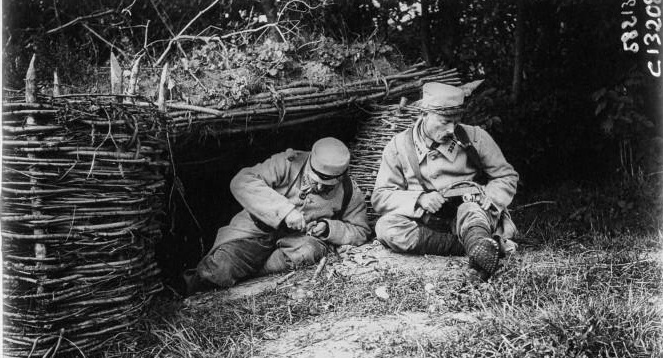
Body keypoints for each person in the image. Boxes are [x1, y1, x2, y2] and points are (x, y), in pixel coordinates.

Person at [184, 137, 370, 295]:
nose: (320, 188)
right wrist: (285, 211)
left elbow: (360, 230)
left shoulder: (349, 191)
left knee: (308, 252)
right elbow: (242, 181)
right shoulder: (288, 163)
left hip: (297, 242)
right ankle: (186, 292)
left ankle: (252, 275)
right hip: (256, 232)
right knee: (221, 268)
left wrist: (328, 227)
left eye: (328, 186)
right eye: (316, 180)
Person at [371, 82, 519, 278]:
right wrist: (419, 199)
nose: (451, 129)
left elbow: (506, 176)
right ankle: (475, 246)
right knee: (386, 227)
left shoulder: (475, 138)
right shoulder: (398, 147)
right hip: (428, 221)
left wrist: (490, 197)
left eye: (456, 122)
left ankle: (477, 241)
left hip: (471, 214)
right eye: (445, 121)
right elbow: (381, 196)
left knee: (471, 211)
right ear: (424, 114)